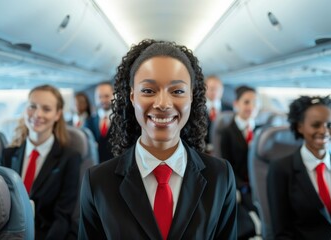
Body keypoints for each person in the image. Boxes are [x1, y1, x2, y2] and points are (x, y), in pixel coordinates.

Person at [79, 39, 237, 239]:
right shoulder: (98, 182)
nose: (163, 103)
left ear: (191, 97)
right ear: (132, 96)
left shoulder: (220, 176)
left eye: (177, 91)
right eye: (148, 91)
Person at [267, 95, 331, 240]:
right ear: (300, 127)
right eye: (316, 125)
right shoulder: (281, 169)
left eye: (330, 125)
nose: (324, 131)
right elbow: (281, 232)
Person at [1, 84, 82, 240]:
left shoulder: (69, 158)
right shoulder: (8, 155)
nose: (37, 114)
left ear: (58, 114)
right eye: (32, 106)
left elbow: (63, 216)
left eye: (46, 109)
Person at [218, 85, 259, 239]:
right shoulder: (227, 132)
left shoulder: (262, 132)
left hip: (259, 185)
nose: (251, 107)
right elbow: (227, 166)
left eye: (255, 102)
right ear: (236, 104)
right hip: (242, 187)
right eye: (246, 102)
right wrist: (242, 186)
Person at [84, 81, 114, 163]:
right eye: (99, 97)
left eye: (107, 96)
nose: (103, 100)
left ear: (114, 96)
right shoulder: (89, 122)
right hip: (95, 166)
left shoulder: (122, 120)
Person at [204, 75, 232, 152]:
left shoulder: (229, 109)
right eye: (212, 89)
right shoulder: (197, 108)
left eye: (218, 89)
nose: (215, 92)